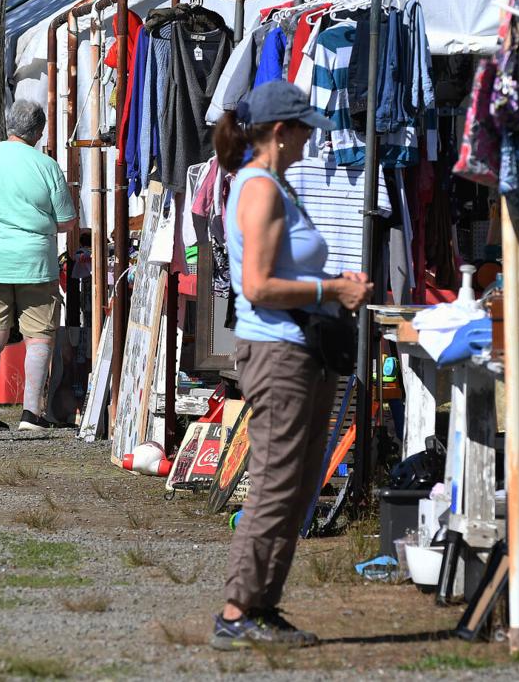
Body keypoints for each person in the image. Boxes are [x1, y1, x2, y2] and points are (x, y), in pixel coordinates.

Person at [208, 81, 372, 650]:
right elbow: (256, 285)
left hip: (299, 350)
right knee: (277, 486)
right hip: (278, 353)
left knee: (299, 486)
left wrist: (331, 289)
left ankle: (260, 606)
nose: (309, 140)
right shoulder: (260, 190)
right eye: (304, 130)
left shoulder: (274, 185)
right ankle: (236, 611)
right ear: (281, 132)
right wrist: (331, 287)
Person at [0, 100, 77, 432]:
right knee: (38, 338)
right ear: (38, 131)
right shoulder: (46, 165)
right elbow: (67, 221)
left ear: (9, 125)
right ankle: (31, 415)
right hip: (33, 261)